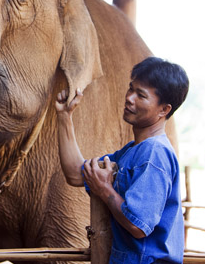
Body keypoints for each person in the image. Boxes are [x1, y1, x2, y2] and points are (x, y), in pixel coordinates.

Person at [55, 57, 189, 264]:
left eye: (141, 95)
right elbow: (75, 173)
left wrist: (105, 190)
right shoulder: (132, 151)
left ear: (164, 110)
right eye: (131, 88)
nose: (129, 98)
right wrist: (64, 117)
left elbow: (138, 226)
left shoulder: (155, 154)